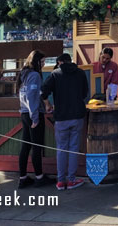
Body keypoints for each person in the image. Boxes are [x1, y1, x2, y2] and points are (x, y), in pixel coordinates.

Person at [42, 53, 89, 191]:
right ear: (70, 61)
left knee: (61, 149)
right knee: (74, 148)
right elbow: (84, 93)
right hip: (77, 115)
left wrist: (47, 104)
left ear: (60, 62)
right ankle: (72, 179)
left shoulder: (55, 74)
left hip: (61, 116)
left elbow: (43, 91)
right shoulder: (80, 73)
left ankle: (61, 181)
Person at [17, 50, 49, 188]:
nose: (43, 64)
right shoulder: (35, 75)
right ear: (36, 62)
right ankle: (39, 177)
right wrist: (35, 117)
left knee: (25, 145)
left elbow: (24, 94)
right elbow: (31, 96)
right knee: (37, 146)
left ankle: (23, 177)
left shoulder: (23, 74)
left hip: (24, 112)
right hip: (32, 114)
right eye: (42, 62)